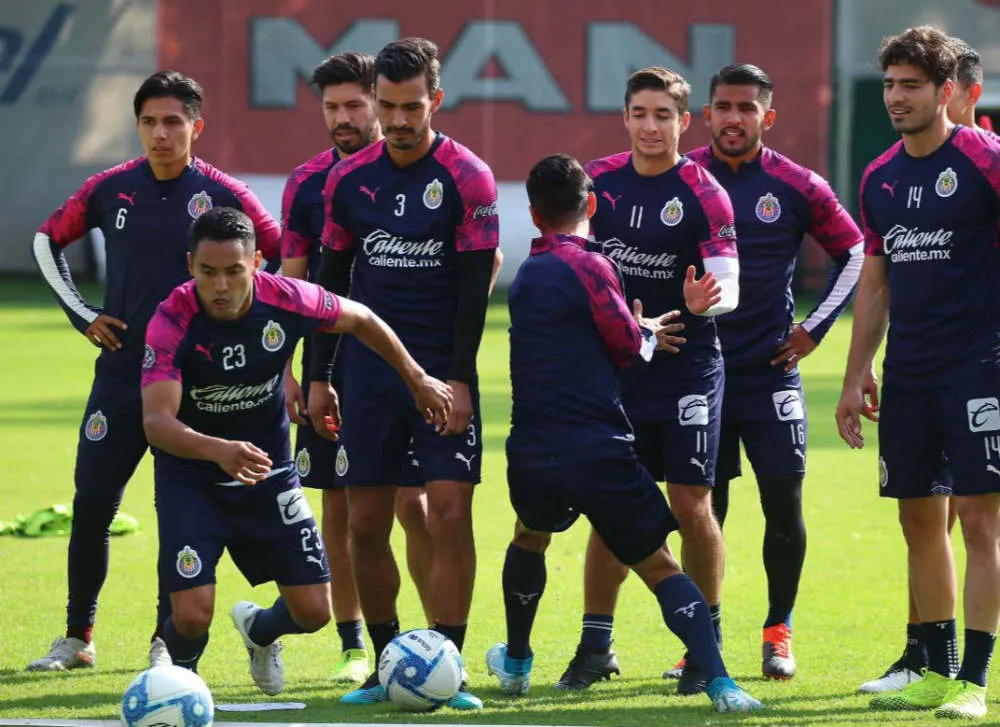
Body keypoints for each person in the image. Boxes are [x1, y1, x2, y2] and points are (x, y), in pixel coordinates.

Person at [484, 153, 762, 714]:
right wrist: (653, 328)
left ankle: (515, 664)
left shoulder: (526, 274)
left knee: (528, 537)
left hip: (531, 448)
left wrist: (640, 326)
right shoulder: (592, 264)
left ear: (534, 214)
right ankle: (721, 682)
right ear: (591, 205)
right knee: (659, 564)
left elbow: (584, 336)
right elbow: (627, 350)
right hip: (597, 447)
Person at [27, 71, 280, 672]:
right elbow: (46, 240)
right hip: (120, 378)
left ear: (196, 126)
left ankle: (167, 640)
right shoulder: (110, 188)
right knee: (92, 504)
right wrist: (84, 313)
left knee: (180, 515)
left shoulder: (225, 193)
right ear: (137, 126)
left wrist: (250, 333)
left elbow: (281, 252)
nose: (160, 134)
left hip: (195, 386)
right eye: (148, 122)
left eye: (172, 122)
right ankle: (77, 637)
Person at [140, 206, 451, 693]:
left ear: (258, 263)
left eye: (233, 272)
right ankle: (180, 687)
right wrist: (218, 450)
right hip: (192, 477)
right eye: (208, 273)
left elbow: (362, 318)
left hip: (269, 474)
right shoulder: (173, 317)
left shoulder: (286, 298)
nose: (220, 286)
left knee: (313, 612)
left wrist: (416, 378)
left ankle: (260, 632)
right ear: (190, 266)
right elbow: (157, 423)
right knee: (193, 613)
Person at [307, 37, 499, 710]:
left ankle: (450, 662)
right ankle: (384, 662)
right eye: (386, 106)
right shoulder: (348, 180)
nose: (396, 119)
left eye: (410, 106)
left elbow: (475, 291)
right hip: (366, 375)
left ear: (435, 101)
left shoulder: (468, 177)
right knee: (364, 524)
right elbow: (328, 287)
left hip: (442, 371)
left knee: (448, 512)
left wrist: (461, 379)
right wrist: (317, 376)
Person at [556, 66, 739, 697]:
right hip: (621, 370)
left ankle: (702, 652)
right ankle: (596, 644)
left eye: (664, 115)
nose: (650, 126)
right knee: (610, 509)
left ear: (685, 123)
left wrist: (700, 301)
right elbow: (566, 262)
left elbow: (730, 288)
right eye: (640, 113)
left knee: (692, 506)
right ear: (625, 117)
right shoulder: (596, 184)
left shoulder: (706, 191)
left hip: (688, 369)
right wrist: (609, 311)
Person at [836, 26, 1000, 720]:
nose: (896, 97)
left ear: (946, 92)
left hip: (981, 369)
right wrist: (855, 373)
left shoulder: (987, 161)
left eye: (910, 85)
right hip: (909, 373)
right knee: (916, 518)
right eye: (890, 85)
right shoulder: (879, 177)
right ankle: (936, 669)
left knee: (980, 520)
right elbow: (875, 283)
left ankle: (975, 680)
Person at [679, 63, 863, 681]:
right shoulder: (684, 179)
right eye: (724, 107)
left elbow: (854, 250)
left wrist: (814, 329)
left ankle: (778, 630)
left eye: (747, 108)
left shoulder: (795, 183)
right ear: (706, 115)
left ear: (768, 116)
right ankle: (703, 638)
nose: (734, 118)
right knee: (706, 510)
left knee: (783, 503)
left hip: (770, 373)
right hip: (699, 373)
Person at [279, 50, 434, 683]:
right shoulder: (306, 183)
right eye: (331, 107)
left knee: (415, 506)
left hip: (404, 368)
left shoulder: (419, 172)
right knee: (339, 508)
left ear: (384, 102)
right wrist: (287, 371)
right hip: (329, 368)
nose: (343, 118)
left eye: (354, 104)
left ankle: (432, 637)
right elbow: (289, 282)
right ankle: (355, 644)